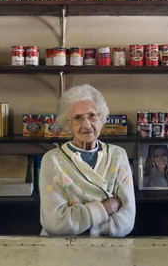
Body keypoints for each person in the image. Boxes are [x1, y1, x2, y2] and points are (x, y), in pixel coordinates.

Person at [39, 84, 136, 237]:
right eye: (78, 118)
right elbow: (55, 223)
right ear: (67, 125)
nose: (86, 124)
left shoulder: (118, 155)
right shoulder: (52, 160)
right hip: (64, 251)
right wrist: (104, 209)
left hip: (108, 250)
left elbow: (127, 221)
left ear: (102, 119)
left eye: (92, 116)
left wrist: (83, 226)